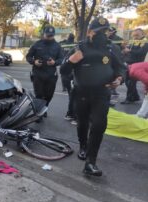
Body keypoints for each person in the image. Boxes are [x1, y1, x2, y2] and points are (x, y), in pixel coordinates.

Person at [61, 17, 125, 176]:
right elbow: (63, 71)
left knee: (98, 125)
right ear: (90, 32)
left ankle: (90, 162)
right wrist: (70, 61)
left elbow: (121, 68)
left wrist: (119, 79)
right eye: (99, 32)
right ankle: (83, 146)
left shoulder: (111, 48)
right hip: (81, 93)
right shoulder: (79, 48)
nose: (103, 34)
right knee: (82, 123)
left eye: (105, 31)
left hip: (102, 93)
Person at [26, 25, 63, 116]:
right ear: (44, 34)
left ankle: (44, 108)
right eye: (48, 35)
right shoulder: (37, 44)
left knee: (49, 95)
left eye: (51, 36)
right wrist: (34, 61)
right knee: (39, 95)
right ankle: (38, 113)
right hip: (38, 74)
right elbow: (28, 56)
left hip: (51, 75)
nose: (49, 37)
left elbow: (61, 59)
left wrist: (54, 62)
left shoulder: (58, 46)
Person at [121, 28, 148, 104]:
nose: (135, 36)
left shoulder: (145, 42)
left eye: (137, 35)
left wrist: (129, 51)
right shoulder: (133, 41)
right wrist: (124, 52)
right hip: (129, 63)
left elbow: (141, 52)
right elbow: (127, 49)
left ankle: (129, 98)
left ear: (142, 34)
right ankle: (135, 96)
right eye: (134, 35)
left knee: (130, 82)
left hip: (137, 65)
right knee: (127, 81)